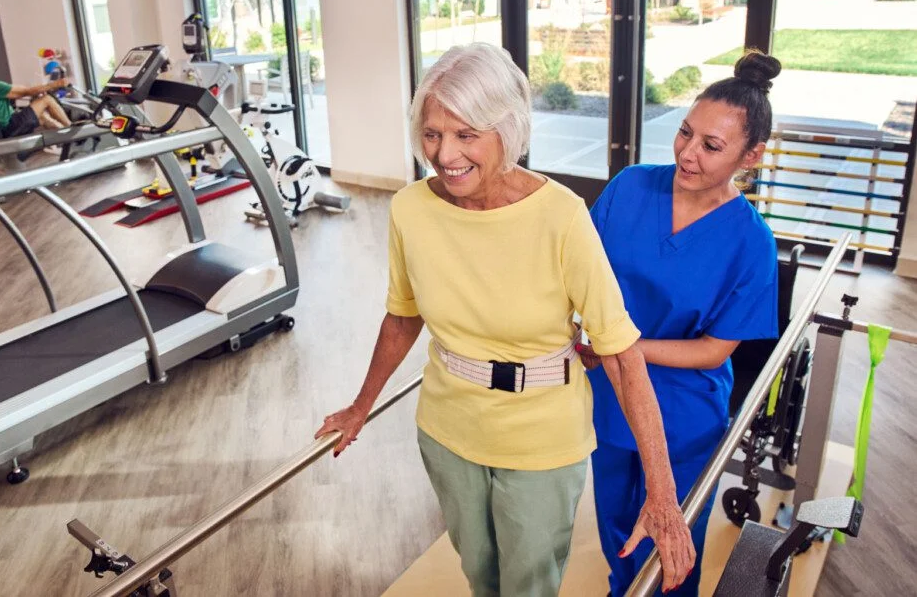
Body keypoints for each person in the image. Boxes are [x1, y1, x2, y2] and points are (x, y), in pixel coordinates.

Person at [315, 43, 694, 596]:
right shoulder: (410, 209)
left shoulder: (560, 214)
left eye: (466, 135)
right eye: (431, 134)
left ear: (508, 129)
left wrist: (662, 495)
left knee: (528, 585)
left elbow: (619, 351)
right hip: (448, 429)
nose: (445, 154)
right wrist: (360, 405)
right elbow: (402, 316)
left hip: (541, 436)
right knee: (480, 576)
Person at [581, 51, 781, 596]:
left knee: (670, 558)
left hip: (682, 414)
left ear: (752, 154)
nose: (688, 154)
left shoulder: (751, 243)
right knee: (619, 536)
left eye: (711, 146)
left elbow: (715, 351)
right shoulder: (630, 187)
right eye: (684, 133)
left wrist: (621, 345)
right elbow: (581, 275)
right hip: (610, 396)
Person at [0, 49, 72, 137]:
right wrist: (56, 84)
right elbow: (26, 92)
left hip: (0, 128)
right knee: (46, 99)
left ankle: (66, 137)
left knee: (42, 116)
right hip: (11, 126)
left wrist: (33, 93)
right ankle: (72, 129)